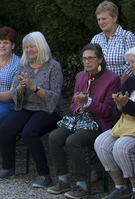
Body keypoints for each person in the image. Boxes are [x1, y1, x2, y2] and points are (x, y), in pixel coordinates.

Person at [48, 43, 121, 199]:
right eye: (84, 59)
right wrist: (80, 108)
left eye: (91, 58)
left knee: (72, 141)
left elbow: (109, 110)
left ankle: (81, 185)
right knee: (54, 137)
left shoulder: (112, 78)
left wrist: (88, 103)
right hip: (80, 120)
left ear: (100, 59)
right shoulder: (81, 76)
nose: (87, 62)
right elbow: (73, 103)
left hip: (100, 124)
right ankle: (63, 180)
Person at [0, 31, 63, 188]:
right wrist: (19, 88)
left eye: (33, 46)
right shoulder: (23, 65)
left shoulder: (53, 66)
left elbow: (55, 97)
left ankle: (44, 175)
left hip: (48, 110)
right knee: (6, 127)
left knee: (29, 132)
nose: (29, 50)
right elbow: (15, 94)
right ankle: (8, 168)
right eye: (26, 47)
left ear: (41, 46)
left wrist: (33, 87)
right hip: (26, 106)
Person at [94, 47, 135, 199]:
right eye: (129, 62)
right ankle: (121, 187)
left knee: (121, 147)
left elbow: (129, 107)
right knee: (101, 142)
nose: (130, 66)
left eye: (133, 62)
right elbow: (115, 110)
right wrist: (119, 105)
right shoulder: (130, 81)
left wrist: (126, 105)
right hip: (126, 126)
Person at [91, 0, 135, 85]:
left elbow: (131, 65)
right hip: (100, 89)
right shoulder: (95, 39)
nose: (101, 22)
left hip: (123, 90)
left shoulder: (127, 37)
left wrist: (117, 86)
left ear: (114, 18)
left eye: (104, 19)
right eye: (99, 19)